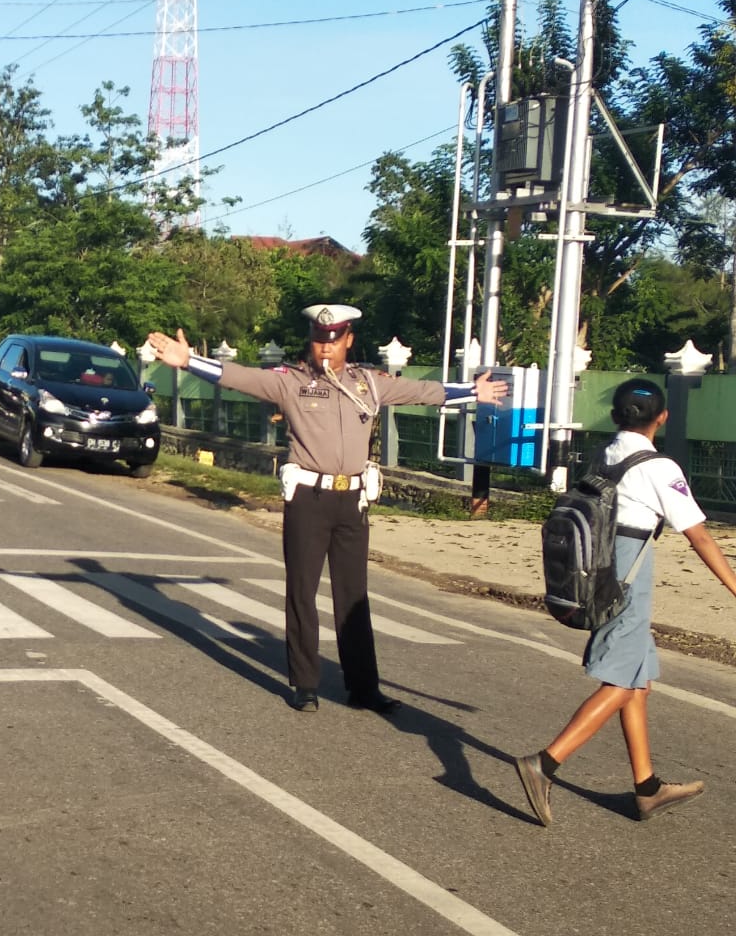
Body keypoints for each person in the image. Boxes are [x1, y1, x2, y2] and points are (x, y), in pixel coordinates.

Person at [147, 304, 506, 715]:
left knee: (353, 596)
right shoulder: (291, 383)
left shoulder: (369, 383)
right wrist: (189, 361)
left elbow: (422, 393)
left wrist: (472, 392)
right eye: (319, 341)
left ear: (348, 341)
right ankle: (305, 682)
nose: (326, 349)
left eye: (334, 342)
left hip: (352, 501)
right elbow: (241, 377)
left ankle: (363, 687)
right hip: (309, 501)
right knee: (302, 590)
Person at [514, 379, 736, 826]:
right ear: (663, 417)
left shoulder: (607, 453)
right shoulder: (659, 466)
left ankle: (647, 788)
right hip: (630, 575)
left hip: (600, 569)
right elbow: (697, 534)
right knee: (620, 682)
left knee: (637, 679)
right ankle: (545, 763)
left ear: (615, 415)